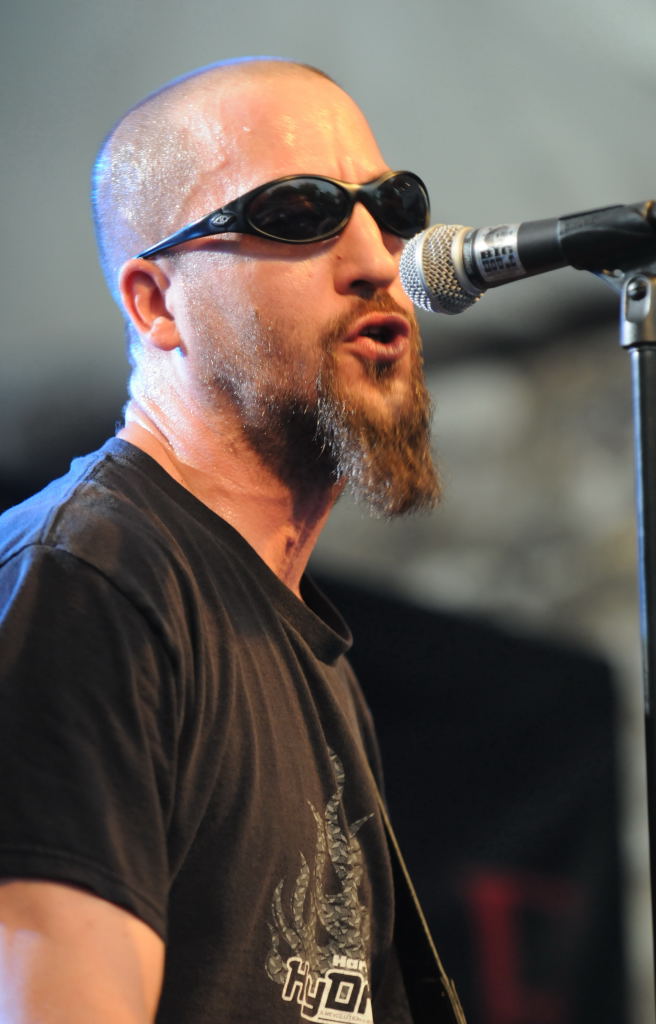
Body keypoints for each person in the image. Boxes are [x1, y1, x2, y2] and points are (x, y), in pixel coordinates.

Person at [0, 58, 445, 1023]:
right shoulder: (89, 582)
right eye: (297, 212)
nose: (378, 260)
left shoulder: (312, 661)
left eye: (391, 206)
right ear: (156, 304)